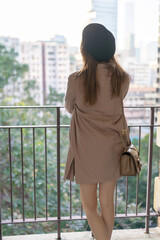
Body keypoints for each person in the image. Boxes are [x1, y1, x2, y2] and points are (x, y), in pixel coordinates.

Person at [63, 23, 131, 240]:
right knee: (107, 203)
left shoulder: (76, 80)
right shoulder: (122, 78)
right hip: (112, 149)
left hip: (86, 152)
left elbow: (69, 107)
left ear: (85, 49)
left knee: (89, 207)